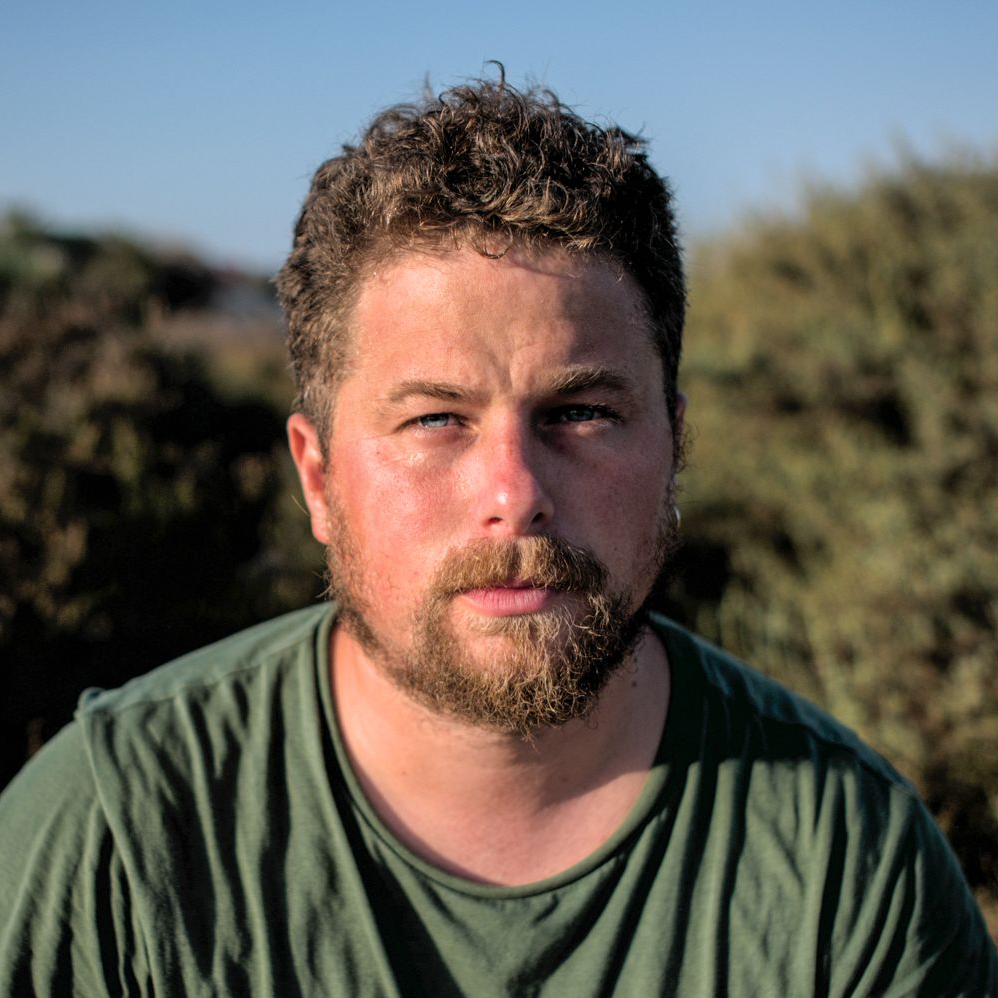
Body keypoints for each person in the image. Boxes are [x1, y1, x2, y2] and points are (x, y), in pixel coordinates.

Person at [1, 72, 995, 997]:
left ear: (675, 444)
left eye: (582, 412)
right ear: (318, 476)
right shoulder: (111, 837)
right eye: (436, 418)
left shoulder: (846, 864)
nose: (514, 493)